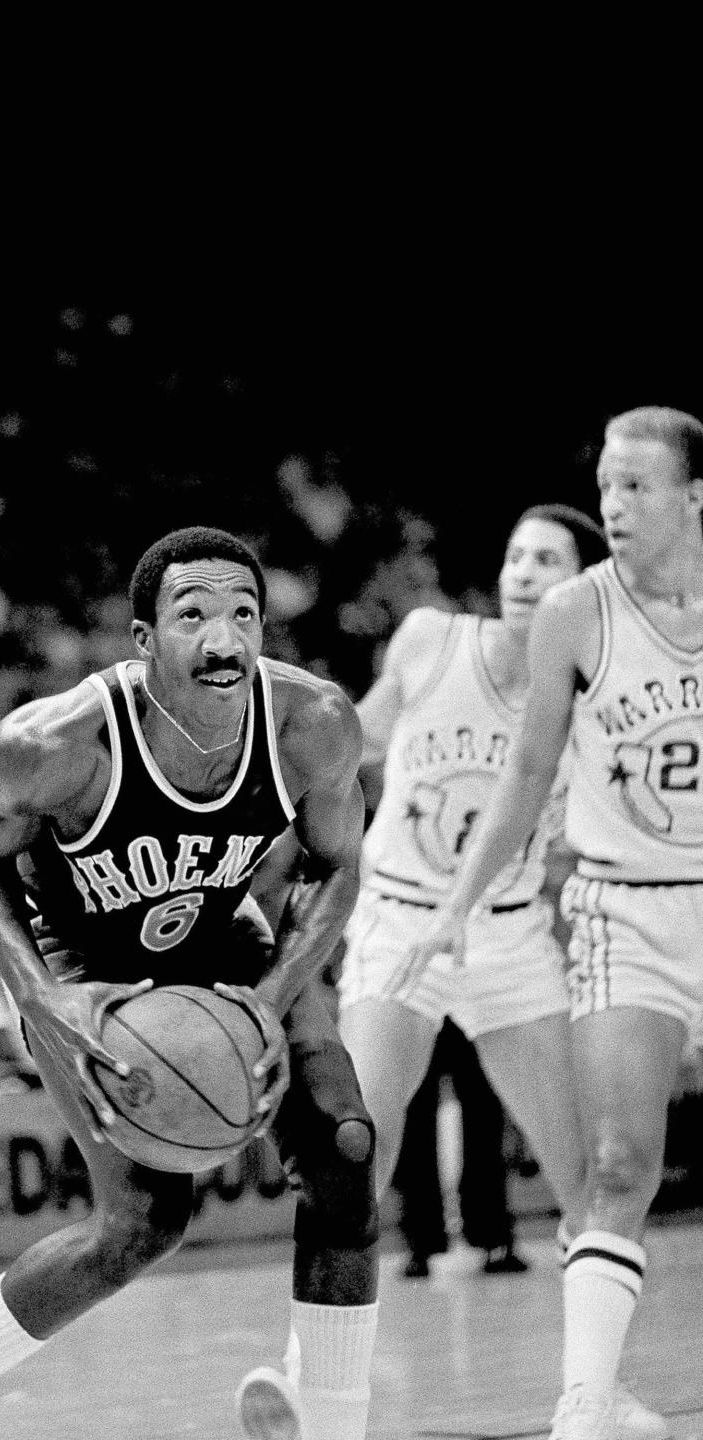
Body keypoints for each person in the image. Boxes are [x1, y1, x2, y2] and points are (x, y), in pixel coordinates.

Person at [0, 524, 380, 1440]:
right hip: (83, 966)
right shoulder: (55, 742)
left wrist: (271, 1002)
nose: (223, 638)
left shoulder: (311, 722)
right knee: (140, 1226)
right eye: (192, 614)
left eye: (244, 614)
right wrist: (38, 995)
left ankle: (335, 1426)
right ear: (144, 639)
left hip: (222, 940)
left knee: (347, 1154)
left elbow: (336, 865)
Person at [247, 502, 664, 1439]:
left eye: (547, 559)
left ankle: (599, 1391)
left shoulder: (595, 703)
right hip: (400, 925)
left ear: (583, 589)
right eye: (515, 554)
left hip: (509, 941)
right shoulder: (435, 639)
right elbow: (346, 742)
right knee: (362, 1142)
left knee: (587, 1176)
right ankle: (304, 1374)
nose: (522, 572)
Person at [399, 407, 703, 1440]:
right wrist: (453, 908)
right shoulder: (580, 610)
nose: (615, 506)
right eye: (607, 487)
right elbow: (525, 777)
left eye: (638, 487)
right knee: (617, 1165)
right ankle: (584, 1407)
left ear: (694, 495)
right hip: (628, 908)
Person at [391, 1016, 530, 1278]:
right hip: (426, 994)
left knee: (482, 1112)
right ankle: (425, 1242)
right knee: (420, 1115)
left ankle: (487, 1237)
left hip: (460, 993)